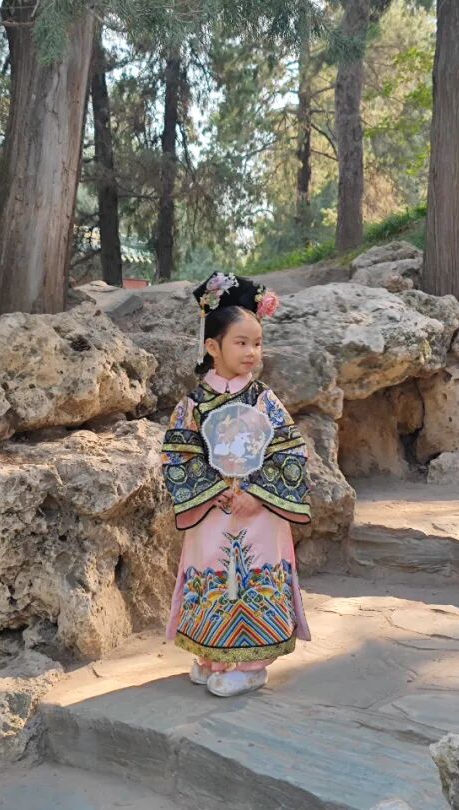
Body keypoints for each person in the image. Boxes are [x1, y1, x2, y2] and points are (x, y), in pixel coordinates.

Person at [160, 271, 311, 698]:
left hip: (258, 512)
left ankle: (250, 665)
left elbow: (290, 452)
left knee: (252, 575)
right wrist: (214, 491)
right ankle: (212, 656)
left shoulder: (264, 400)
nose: (252, 353)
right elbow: (177, 456)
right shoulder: (193, 404)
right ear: (213, 347)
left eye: (257, 344)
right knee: (211, 572)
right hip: (212, 509)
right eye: (241, 343)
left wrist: (255, 493)